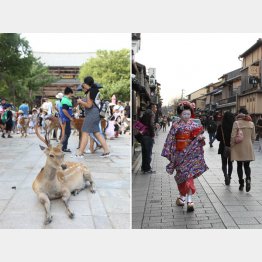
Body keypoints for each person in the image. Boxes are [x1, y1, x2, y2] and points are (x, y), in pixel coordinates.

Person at [161, 101, 208, 212]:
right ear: (180, 114)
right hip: (179, 154)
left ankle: (189, 200)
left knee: (189, 175)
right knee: (181, 176)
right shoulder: (176, 125)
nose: (186, 116)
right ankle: (182, 197)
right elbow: (170, 139)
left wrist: (200, 138)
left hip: (191, 154)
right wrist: (170, 151)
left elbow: (198, 136)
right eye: (184, 114)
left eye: (188, 114)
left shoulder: (194, 125)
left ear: (190, 113)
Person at [76, 76, 110, 158]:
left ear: (86, 84)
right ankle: (106, 150)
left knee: (85, 132)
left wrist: (80, 101)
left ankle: (80, 153)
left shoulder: (90, 92)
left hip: (91, 114)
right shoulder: (95, 90)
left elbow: (89, 105)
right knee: (97, 133)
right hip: (96, 114)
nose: (83, 85)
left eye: (84, 83)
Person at [231, 108, 255, 192]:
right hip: (248, 146)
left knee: (239, 165)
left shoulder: (236, 123)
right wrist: (250, 144)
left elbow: (233, 136)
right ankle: (248, 179)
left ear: (239, 114)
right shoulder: (251, 123)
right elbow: (253, 138)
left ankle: (241, 183)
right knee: (247, 165)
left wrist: (232, 145)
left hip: (239, 147)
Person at [215, 111, 235, 185]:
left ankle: (225, 176)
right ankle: (229, 176)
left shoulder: (221, 126)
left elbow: (217, 137)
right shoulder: (234, 125)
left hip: (223, 146)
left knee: (224, 163)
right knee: (230, 163)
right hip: (232, 146)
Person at [139, 103, 157, 174]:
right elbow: (151, 125)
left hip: (143, 135)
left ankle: (143, 168)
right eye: (155, 107)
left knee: (144, 153)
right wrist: (153, 134)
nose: (156, 109)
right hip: (148, 135)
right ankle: (147, 169)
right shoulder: (151, 114)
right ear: (152, 108)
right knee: (148, 153)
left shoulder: (145, 113)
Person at [60, 87, 74, 153]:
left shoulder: (66, 100)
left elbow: (68, 109)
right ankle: (63, 148)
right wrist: (70, 117)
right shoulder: (65, 100)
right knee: (66, 133)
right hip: (65, 120)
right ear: (69, 93)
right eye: (71, 94)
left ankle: (64, 147)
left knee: (66, 133)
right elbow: (64, 110)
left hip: (66, 119)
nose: (72, 95)